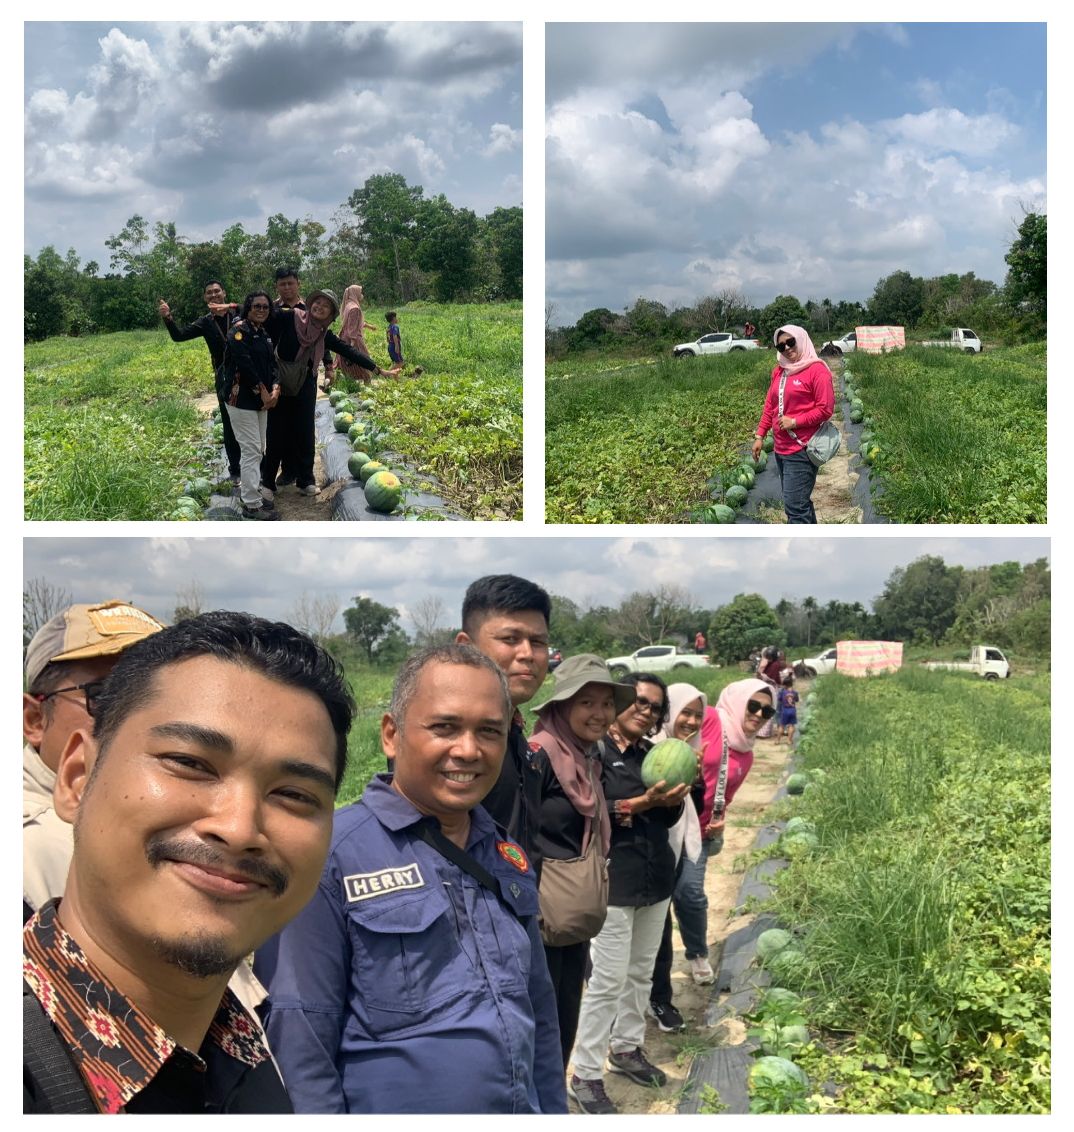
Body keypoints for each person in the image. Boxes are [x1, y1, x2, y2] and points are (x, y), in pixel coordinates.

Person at [23, 611, 356, 1114]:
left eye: (293, 794)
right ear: (75, 778)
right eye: (190, 763)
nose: (241, 828)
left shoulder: (246, 1056)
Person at [260, 645, 568, 1114]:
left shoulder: (507, 855)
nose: (468, 750)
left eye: (489, 731)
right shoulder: (330, 857)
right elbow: (300, 1042)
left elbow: (539, 1013)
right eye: (445, 727)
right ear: (391, 733)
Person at [568, 674, 689, 1115]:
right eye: (639, 701)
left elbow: (668, 818)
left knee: (641, 972)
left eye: (655, 707)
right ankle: (584, 1073)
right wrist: (639, 805)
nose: (646, 710)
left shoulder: (655, 755)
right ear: (621, 702)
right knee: (606, 981)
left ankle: (626, 1048)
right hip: (613, 883)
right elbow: (588, 809)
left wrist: (673, 799)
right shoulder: (594, 753)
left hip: (655, 880)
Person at [23, 599, 166, 919]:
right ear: (34, 719)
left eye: (160, 697)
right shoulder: (32, 848)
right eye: (103, 696)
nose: (141, 719)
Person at [528, 654, 634, 1069]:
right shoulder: (538, 757)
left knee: (566, 1011)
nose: (600, 713)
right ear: (562, 706)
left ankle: (554, 1097)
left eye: (606, 703)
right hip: (540, 913)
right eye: (586, 702)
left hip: (572, 912)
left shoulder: (590, 756)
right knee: (543, 1019)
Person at [258, 288, 398, 498]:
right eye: (317, 302)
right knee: (276, 432)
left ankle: (305, 480)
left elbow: (349, 351)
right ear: (311, 304)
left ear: (331, 315)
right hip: (280, 384)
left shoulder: (324, 335)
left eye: (326, 306)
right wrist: (234, 309)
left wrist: (379, 370)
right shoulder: (290, 317)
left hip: (306, 384)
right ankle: (267, 482)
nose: (320, 307)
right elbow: (262, 313)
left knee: (305, 431)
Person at [456, 573, 551, 876]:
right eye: (510, 639)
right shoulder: (444, 740)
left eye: (538, 642)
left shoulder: (517, 735)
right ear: (466, 647)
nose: (527, 654)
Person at [648, 683, 710, 1034]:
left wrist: (696, 781)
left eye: (697, 716)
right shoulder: (650, 748)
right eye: (685, 712)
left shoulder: (689, 751)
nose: (690, 721)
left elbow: (694, 808)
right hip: (647, 850)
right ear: (669, 712)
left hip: (675, 848)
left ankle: (660, 998)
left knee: (661, 928)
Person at [158, 281, 242, 484]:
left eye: (217, 291)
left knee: (253, 422)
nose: (214, 295)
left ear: (224, 293)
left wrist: (229, 306)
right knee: (229, 423)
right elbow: (179, 337)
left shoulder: (239, 313)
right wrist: (168, 318)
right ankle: (235, 469)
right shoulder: (205, 322)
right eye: (209, 293)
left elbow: (258, 307)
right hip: (224, 378)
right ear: (205, 298)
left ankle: (261, 466)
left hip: (248, 375)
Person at [751, 324, 835, 524]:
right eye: (781, 346)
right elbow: (770, 405)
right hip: (781, 450)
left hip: (802, 450)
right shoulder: (779, 372)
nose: (787, 348)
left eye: (791, 342)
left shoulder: (817, 371)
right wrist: (760, 435)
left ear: (801, 339)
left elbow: (826, 409)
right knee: (799, 504)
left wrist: (795, 421)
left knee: (795, 510)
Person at [222, 291, 281, 521]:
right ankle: (252, 504)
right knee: (250, 450)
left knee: (258, 449)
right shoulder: (238, 332)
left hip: (261, 401)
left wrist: (276, 386)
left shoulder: (264, 333)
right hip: (241, 400)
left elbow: (272, 363)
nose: (261, 310)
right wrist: (263, 390)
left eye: (265, 307)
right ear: (248, 308)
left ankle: (253, 491)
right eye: (257, 306)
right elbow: (244, 364)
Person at [332, 284, 379, 386]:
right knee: (364, 363)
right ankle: (368, 388)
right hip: (352, 339)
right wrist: (353, 345)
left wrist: (369, 326)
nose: (362, 295)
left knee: (344, 364)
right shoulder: (355, 308)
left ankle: (337, 384)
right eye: (360, 292)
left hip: (344, 337)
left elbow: (355, 322)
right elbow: (352, 329)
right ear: (355, 293)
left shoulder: (348, 305)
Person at [777, 673, 799, 742]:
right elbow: (797, 700)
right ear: (792, 683)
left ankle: (778, 740)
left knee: (782, 725)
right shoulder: (795, 692)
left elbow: (779, 699)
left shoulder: (782, 692)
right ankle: (789, 740)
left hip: (784, 711)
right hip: (792, 710)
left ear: (785, 685)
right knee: (791, 726)